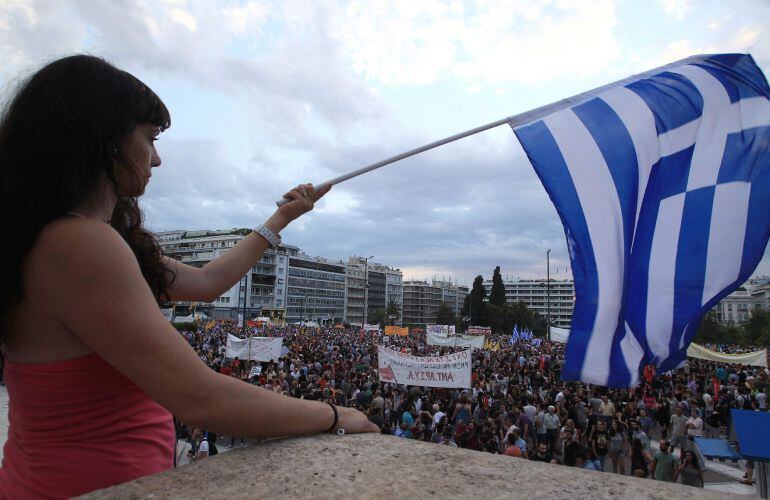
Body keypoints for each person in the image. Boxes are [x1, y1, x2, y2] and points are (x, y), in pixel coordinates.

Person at [0, 55, 378, 498]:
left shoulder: (55, 237)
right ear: (105, 140)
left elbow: (205, 283)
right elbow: (201, 398)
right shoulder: (79, 243)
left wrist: (279, 219)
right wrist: (336, 415)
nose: (157, 159)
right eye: (149, 138)